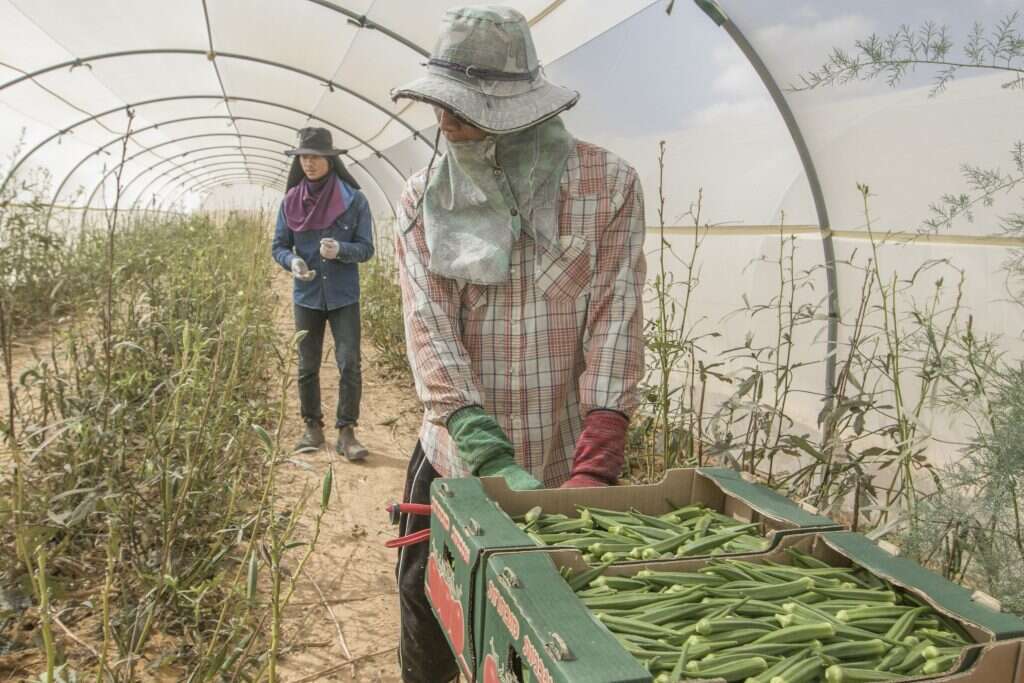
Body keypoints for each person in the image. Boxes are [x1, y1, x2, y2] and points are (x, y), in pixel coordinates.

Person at [389, 6, 646, 681]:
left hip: (564, 464)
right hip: (455, 463)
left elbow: (615, 318)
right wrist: (485, 447)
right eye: (441, 102)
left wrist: (597, 461)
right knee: (429, 617)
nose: (444, 119)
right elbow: (430, 329)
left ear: (518, 110)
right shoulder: (424, 200)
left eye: (464, 106)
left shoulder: (606, 187)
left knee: (547, 641)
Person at [271, 127, 374, 461]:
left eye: (315, 157)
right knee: (307, 364)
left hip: (344, 296)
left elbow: (367, 248)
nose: (309, 163)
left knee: (349, 362)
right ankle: (312, 427)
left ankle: (347, 432)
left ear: (330, 160)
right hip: (307, 295)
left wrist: (341, 250)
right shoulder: (290, 202)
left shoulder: (354, 200)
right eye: (303, 157)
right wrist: (293, 261)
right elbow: (279, 246)